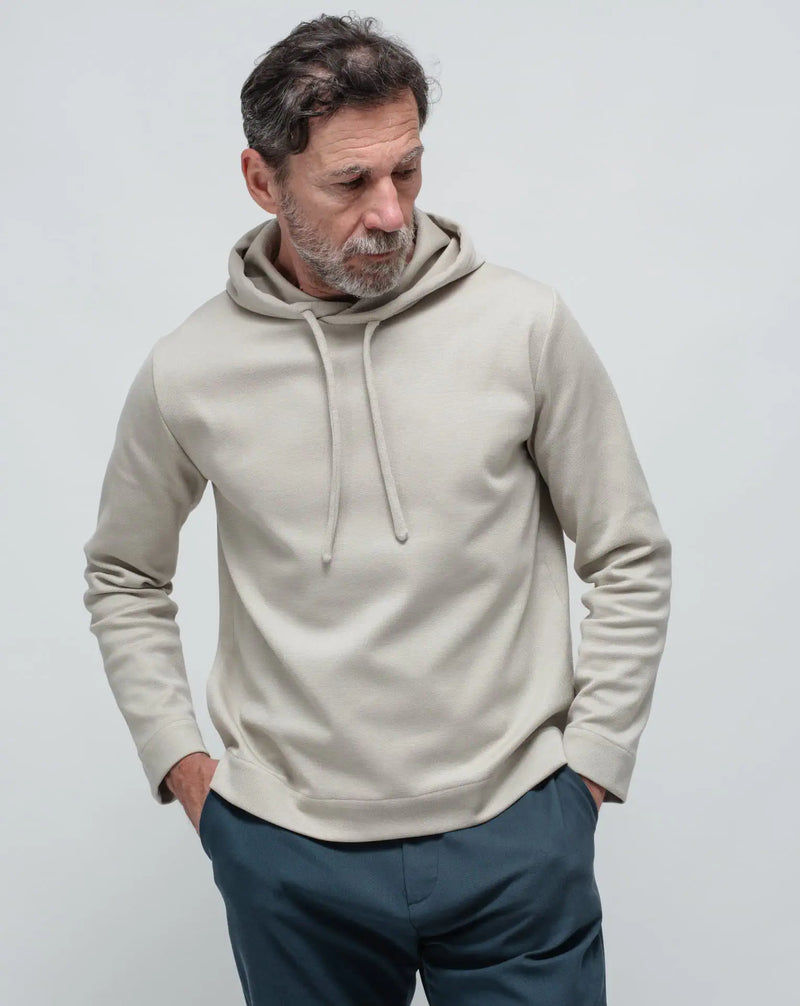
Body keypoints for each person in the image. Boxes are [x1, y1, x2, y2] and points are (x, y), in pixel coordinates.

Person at [82, 13, 672, 1006]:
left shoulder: (523, 326)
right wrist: (187, 772)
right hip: (289, 856)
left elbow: (627, 550)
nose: (391, 210)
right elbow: (123, 574)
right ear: (262, 180)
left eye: (407, 170)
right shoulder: (190, 370)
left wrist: (589, 771)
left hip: (516, 834)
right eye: (351, 182)